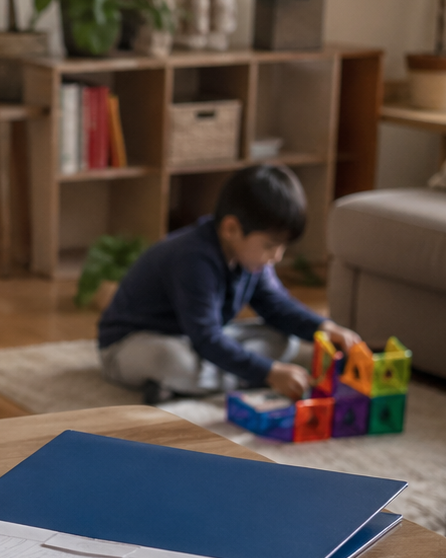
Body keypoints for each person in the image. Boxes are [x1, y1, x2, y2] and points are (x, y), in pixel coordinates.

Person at [97, 164, 361, 402]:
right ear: (231, 229)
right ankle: (227, 379)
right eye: (270, 246)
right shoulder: (193, 259)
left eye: (282, 247)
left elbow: (278, 307)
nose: (277, 257)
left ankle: (193, 384)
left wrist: (324, 328)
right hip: (130, 345)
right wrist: (268, 372)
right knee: (171, 360)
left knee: (284, 339)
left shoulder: (251, 259)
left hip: (192, 338)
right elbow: (206, 337)